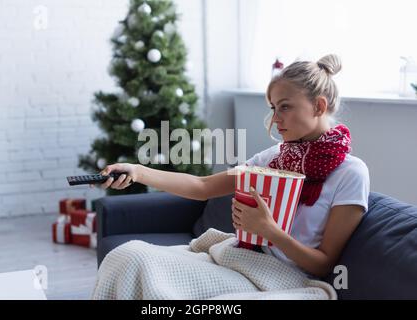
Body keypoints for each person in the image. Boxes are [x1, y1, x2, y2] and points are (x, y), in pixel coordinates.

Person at [93, 54, 370, 279]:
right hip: (244, 258)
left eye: (285, 107)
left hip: (281, 276)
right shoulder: (274, 158)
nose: (275, 119)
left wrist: (268, 230)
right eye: (273, 108)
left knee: (139, 266)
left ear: (319, 106)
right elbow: (203, 187)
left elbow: (323, 265)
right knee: (124, 256)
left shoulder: (350, 173)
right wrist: (138, 171)